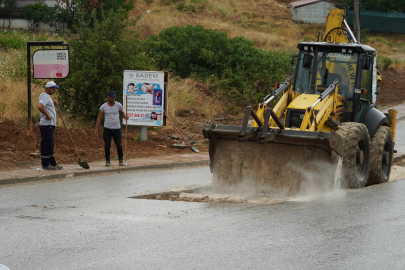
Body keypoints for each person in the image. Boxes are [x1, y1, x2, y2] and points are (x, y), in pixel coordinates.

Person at [94, 90, 129, 166]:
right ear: (108, 97)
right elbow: (100, 117)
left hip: (117, 129)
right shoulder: (103, 107)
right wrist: (96, 128)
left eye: (114, 97)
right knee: (107, 145)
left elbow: (122, 113)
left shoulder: (118, 105)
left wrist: (125, 117)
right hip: (107, 129)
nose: (113, 99)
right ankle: (107, 160)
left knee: (119, 145)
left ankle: (120, 159)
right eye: (112, 97)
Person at [37, 81, 63, 170]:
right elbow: (40, 106)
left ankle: (52, 163)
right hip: (46, 125)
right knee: (46, 144)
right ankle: (45, 164)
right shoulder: (45, 96)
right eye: (53, 89)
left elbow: (46, 105)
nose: (54, 90)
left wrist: (52, 102)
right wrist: (47, 115)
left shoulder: (46, 96)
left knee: (50, 144)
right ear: (48, 88)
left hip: (50, 125)